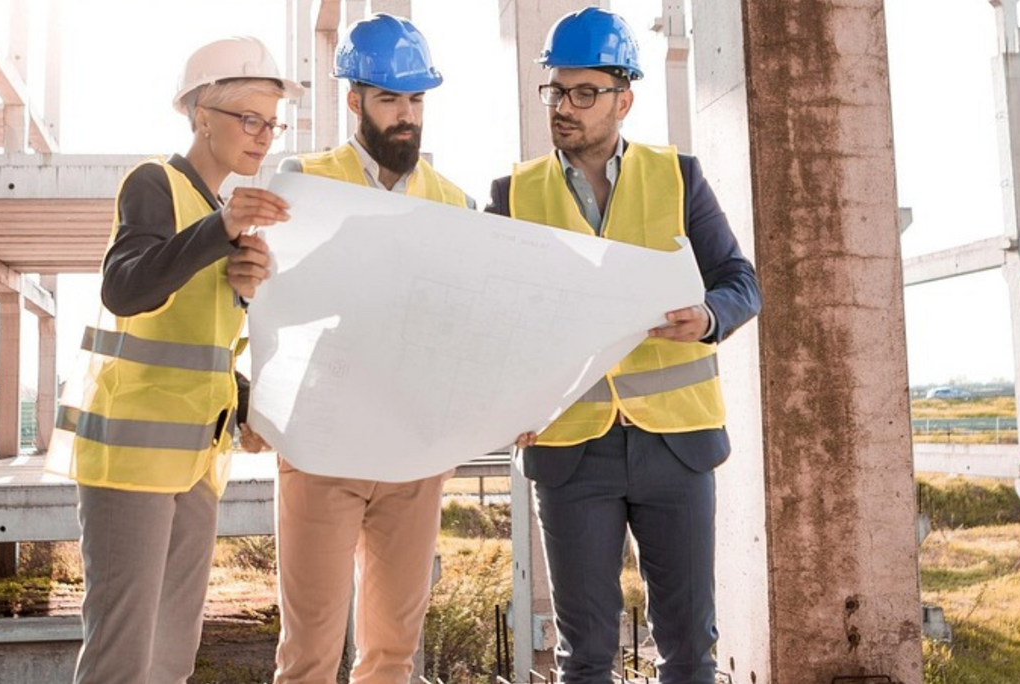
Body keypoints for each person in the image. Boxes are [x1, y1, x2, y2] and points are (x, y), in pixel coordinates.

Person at [484, 8, 761, 684]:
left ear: (624, 99)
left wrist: (706, 316)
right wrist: (500, 406)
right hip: (570, 451)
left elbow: (742, 283)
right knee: (584, 658)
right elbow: (486, 319)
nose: (564, 107)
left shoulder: (678, 178)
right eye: (555, 90)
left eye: (584, 92)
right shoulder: (513, 195)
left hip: (678, 446)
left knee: (689, 649)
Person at [53, 35, 298, 684]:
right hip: (131, 460)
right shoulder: (154, 183)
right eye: (249, 118)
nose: (263, 135)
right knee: (123, 658)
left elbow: (201, 350)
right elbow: (126, 287)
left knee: (170, 659)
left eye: (271, 123)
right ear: (199, 114)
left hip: (195, 462)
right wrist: (218, 235)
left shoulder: (220, 215)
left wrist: (242, 295)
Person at [258, 14, 471, 684]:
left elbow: (467, 327)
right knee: (308, 656)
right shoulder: (304, 181)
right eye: (390, 99)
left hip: (412, 454)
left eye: (416, 100)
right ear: (355, 101)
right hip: (324, 449)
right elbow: (266, 301)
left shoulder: (455, 204)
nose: (406, 116)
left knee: (391, 657)